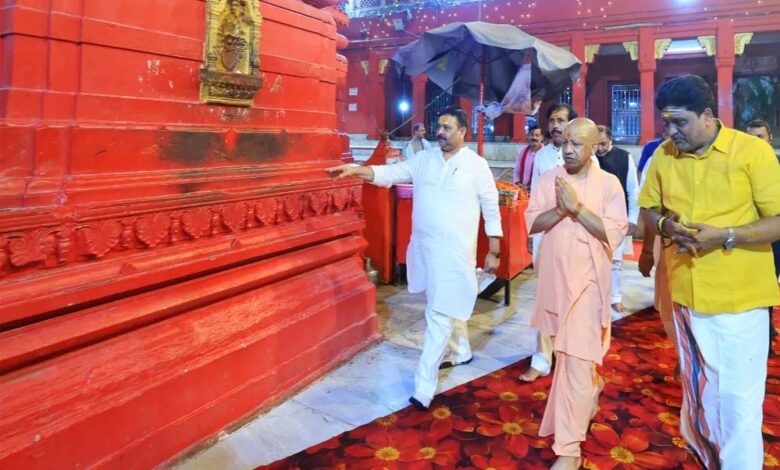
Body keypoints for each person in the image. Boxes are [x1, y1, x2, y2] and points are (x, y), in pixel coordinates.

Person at [639, 74, 780, 469]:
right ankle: (712, 458)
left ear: (707, 116)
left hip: (741, 299)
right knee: (703, 393)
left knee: (738, 401)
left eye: (680, 122)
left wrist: (726, 236)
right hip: (686, 294)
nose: (671, 131)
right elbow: (648, 209)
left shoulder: (751, 152)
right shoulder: (664, 155)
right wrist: (665, 226)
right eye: (666, 122)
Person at [328, 107, 502, 411]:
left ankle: (424, 386)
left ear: (463, 132)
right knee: (443, 303)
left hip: (456, 252)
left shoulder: (476, 165)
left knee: (439, 313)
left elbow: (490, 205)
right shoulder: (424, 159)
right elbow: (390, 174)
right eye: (439, 126)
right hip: (426, 249)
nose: (440, 132)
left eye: (448, 127)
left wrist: (495, 249)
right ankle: (461, 351)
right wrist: (356, 170)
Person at [526, 118, 628, 470]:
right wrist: (560, 209)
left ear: (594, 147)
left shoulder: (609, 184)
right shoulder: (549, 179)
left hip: (589, 284)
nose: (568, 149)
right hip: (555, 281)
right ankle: (592, 386)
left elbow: (613, 233)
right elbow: (532, 222)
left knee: (574, 359)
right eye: (565, 141)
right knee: (568, 357)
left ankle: (569, 449)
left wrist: (578, 209)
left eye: (577, 144)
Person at [522, 103, 601, 383]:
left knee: (575, 298)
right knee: (546, 297)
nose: (555, 125)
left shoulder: (591, 162)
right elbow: (534, 199)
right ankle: (542, 359)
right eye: (552, 120)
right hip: (547, 235)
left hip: (577, 237)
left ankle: (571, 353)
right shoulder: (541, 156)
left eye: (561, 121)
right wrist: (532, 236)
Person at [596, 125, 639, 313]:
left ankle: (615, 297)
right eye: (597, 144)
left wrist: (633, 219)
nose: (600, 149)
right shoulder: (589, 158)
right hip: (593, 217)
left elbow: (633, 190)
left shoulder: (624, 157)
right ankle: (596, 297)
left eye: (603, 144)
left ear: (611, 140)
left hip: (617, 217)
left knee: (615, 261)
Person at [513, 124, 543, 190]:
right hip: (522, 189)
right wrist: (518, 183)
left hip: (538, 190)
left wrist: (531, 187)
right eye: (532, 135)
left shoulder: (545, 153)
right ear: (528, 136)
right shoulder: (523, 151)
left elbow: (545, 175)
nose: (534, 138)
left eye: (537, 135)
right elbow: (517, 169)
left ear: (541, 137)